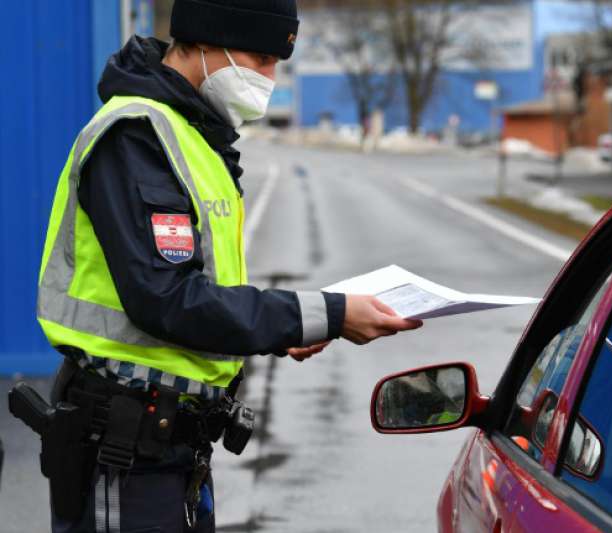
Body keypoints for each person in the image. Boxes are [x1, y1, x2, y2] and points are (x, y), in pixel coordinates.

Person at [30, 0, 421, 531]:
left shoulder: (195, 135)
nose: (269, 78)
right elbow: (165, 297)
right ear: (204, 42)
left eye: (277, 62)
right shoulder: (137, 136)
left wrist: (279, 332)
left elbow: (199, 289)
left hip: (172, 452)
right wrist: (324, 313)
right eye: (260, 58)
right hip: (124, 451)